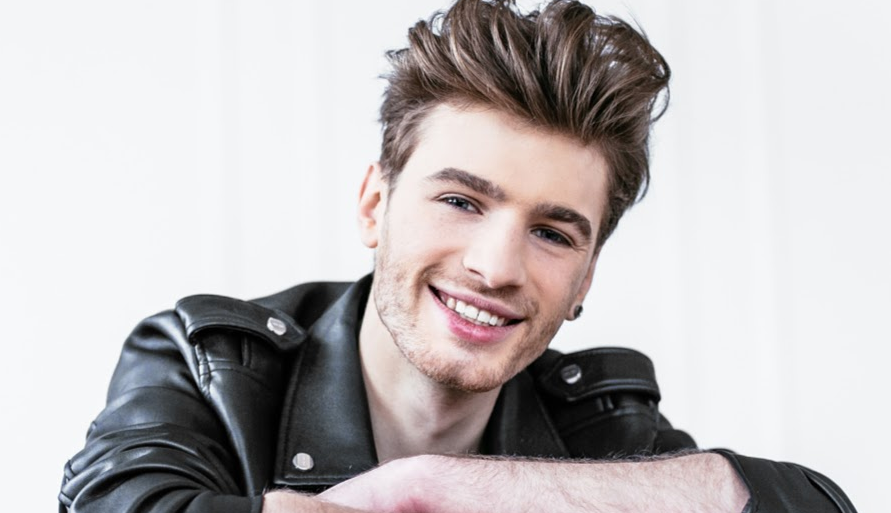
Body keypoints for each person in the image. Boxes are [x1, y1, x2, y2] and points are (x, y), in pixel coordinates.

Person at [59, 1, 856, 512]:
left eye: (552, 233)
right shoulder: (212, 366)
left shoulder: (599, 426)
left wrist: (440, 485)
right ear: (374, 204)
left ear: (585, 277)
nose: (496, 265)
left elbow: (812, 502)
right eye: (461, 201)